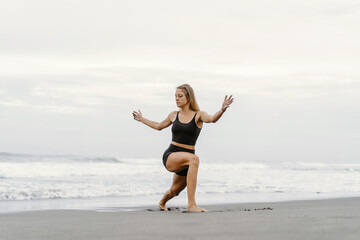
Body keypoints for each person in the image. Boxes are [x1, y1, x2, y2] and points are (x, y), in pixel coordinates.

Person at [132, 84, 234, 212]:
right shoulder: (173, 115)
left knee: (175, 191)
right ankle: (192, 205)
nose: (177, 99)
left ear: (189, 98)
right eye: (175, 96)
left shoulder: (199, 115)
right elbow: (158, 126)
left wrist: (222, 110)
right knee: (194, 159)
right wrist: (141, 119)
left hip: (186, 161)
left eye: (180, 96)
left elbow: (212, 119)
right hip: (171, 155)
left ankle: (162, 202)